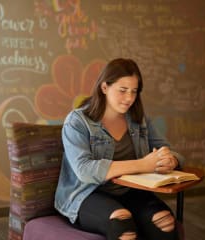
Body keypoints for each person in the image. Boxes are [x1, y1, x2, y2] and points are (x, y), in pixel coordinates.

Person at [54, 58, 184, 240]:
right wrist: (143, 165)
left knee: (165, 223)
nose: (129, 98)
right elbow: (84, 170)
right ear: (104, 87)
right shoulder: (77, 122)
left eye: (134, 91)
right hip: (87, 194)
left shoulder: (138, 120)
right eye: (122, 91)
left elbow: (167, 150)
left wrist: (171, 160)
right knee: (122, 224)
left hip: (130, 192)